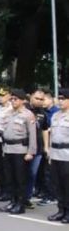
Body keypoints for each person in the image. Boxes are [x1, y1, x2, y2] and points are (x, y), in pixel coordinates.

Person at [0, 88, 36, 214]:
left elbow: (32, 135)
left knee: (20, 179)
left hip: (20, 150)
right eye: (12, 99)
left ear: (22, 100)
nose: (13, 101)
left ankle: (20, 204)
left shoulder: (28, 114)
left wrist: (30, 152)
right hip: (8, 148)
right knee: (10, 178)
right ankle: (13, 201)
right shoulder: (8, 113)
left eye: (16, 99)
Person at [47, 88, 69, 223]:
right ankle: (61, 210)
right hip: (55, 153)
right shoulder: (55, 115)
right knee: (57, 184)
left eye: (63, 99)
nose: (60, 101)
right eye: (59, 99)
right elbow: (52, 136)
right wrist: (49, 152)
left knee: (67, 185)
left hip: (67, 154)